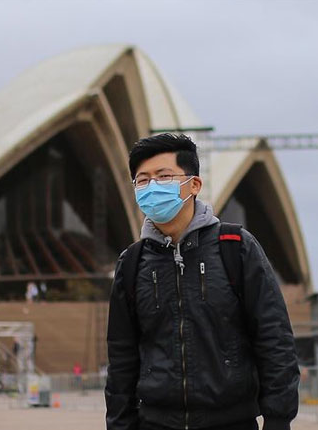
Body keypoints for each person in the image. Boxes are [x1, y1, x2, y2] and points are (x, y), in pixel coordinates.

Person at [105, 134, 300, 430]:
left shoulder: (236, 247)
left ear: (194, 185)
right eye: (142, 180)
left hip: (231, 421)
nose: (152, 187)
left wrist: (278, 419)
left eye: (164, 176)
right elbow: (121, 357)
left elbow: (274, 338)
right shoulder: (132, 262)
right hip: (155, 422)